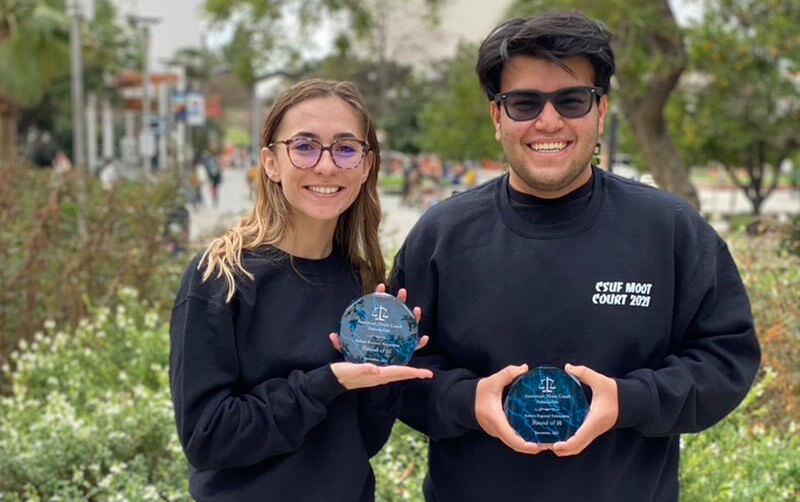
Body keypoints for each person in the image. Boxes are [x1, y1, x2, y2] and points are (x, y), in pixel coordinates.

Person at [390, 12, 760, 502]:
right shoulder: (442, 234)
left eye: (571, 100)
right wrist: (468, 400)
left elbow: (728, 359)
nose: (548, 120)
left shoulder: (668, 229)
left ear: (601, 111)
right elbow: (400, 373)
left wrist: (630, 400)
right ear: (498, 116)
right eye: (524, 103)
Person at [169, 79, 432, 501]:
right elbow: (207, 437)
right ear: (270, 162)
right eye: (305, 147)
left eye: (346, 148)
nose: (326, 166)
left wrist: (385, 374)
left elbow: (361, 443)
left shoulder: (363, 285)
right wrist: (324, 383)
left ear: (366, 166)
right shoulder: (221, 277)